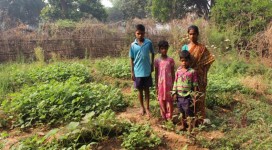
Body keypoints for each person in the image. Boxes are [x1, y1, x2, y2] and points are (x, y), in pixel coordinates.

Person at [181, 25, 215, 119]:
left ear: (197, 34)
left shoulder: (202, 48)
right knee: (188, 98)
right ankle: (189, 119)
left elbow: (208, 62)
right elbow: (182, 62)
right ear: (188, 35)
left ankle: (199, 119)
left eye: (194, 34)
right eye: (190, 34)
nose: (192, 36)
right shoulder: (185, 47)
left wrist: (200, 71)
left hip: (199, 77)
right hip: (187, 77)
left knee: (199, 98)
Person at [129, 24, 155, 117]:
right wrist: (132, 71)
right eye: (138, 33)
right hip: (137, 72)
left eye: (142, 33)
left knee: (147, 90)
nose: (140, 35)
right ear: (135, 33)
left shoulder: (149, 43)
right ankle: (142, 107)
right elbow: (131, 58)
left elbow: (152, 53)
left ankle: (147, 108)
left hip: (147, 70)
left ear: (144, 33)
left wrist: (152, 65)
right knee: (140, 90)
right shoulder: (133, 45)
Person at [172, 50, 198, 130]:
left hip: (188, 96)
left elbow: (195, 84)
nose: (184, 63)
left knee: (188, 112)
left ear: (189, 61)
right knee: (181, 112)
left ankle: (190, 127)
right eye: (182, 61)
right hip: (179, 95)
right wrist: (174, 93)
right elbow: (175, 82)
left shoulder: (192, 72)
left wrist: (194, 95)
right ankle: (183, 125)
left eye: (186, 61)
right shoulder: (178, 71)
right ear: (180, 61)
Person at [154, 40, 175, 120]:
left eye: (165, 48)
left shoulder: (171, 60)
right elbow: (156, 73)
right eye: (162, 48)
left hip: (169, 84)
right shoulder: (157, 61)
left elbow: (173, 73)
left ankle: (169, 117)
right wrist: (156, 85)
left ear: (167, 48)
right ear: (159, 49)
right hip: (160, 84)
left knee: (169, 100)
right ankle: (163, 117)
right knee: (161, 100)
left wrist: (174, 84)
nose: (164, 50)